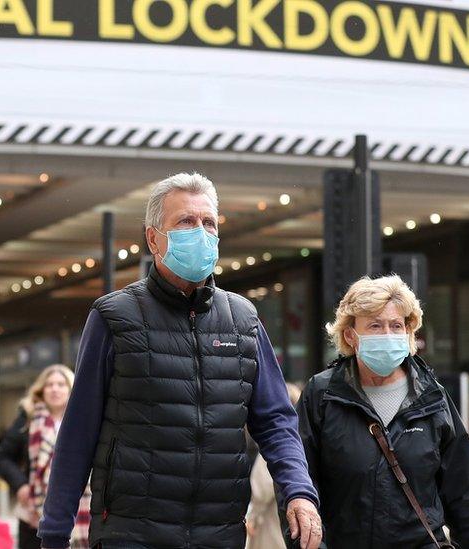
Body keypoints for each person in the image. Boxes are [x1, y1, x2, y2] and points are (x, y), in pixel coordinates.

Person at [39, 173, 320, 549]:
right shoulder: (114, 317)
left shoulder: (243, 320)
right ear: (153, 238)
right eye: (186, 222)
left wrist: (298, 491)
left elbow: (275, 420)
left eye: (209, 223)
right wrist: (55, 533)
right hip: (132, 533)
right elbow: (78, 432)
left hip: (218, 532)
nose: (200, 232)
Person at [297, 275, 469, 549]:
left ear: (408, 333)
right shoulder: (322, 395)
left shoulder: (432, 396)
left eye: (396, 325)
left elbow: (464, 493)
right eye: (375, 326)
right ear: (350, 335)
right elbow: (299, 482)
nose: (388, 335)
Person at [0, 365, 91, 549]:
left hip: (80, 505)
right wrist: (21, 485)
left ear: (71, 388)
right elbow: (3, 458)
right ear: (41, 390)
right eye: (49, 385)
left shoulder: (85, 419)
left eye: (60, 384)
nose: (55, 389)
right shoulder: (28, 419)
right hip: (34, 512)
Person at [245, 382, 303, 549]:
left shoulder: (279, 443)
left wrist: (252, 517)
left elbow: (261, 489)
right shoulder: (300, 441)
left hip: (271, 522)